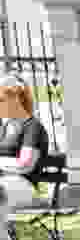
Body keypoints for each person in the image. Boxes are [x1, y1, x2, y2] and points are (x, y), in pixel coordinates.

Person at [0, 79, 48, 212]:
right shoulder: (6, 128)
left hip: (23, 185)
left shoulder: (33, 127)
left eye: (1, 100)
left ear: (15, 99)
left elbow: (26, 165)